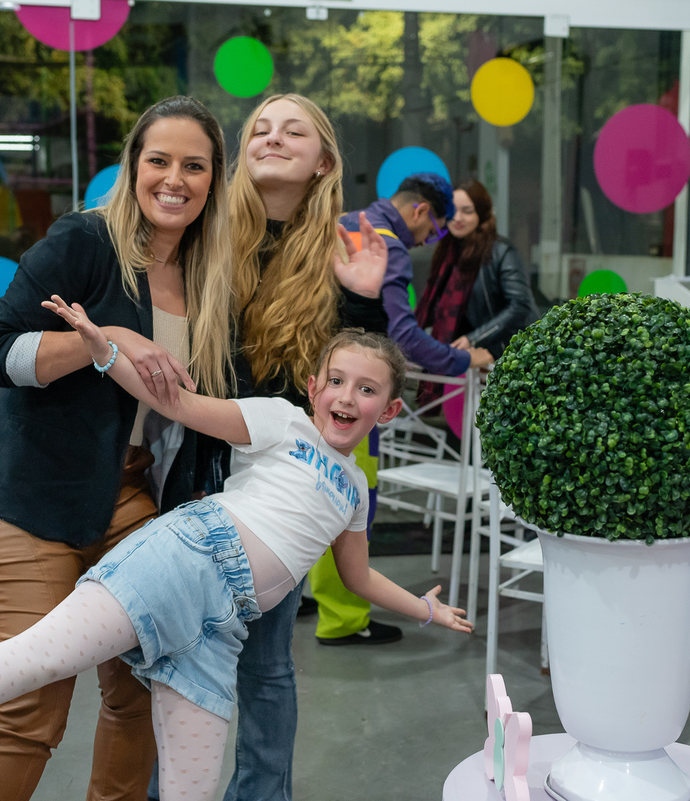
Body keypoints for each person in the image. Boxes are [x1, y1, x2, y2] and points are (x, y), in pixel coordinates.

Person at [0, 326, 473, 801]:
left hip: (221, 630)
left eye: (367, 389)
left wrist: (427, 608)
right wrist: (106, 348)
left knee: (189, 787)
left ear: (391, 406)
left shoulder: (356, 489)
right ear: (312, 383)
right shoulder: (281, 420)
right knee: (30, 660)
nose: (348, 399)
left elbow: (356, 575)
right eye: (338, 381)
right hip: (187, 557)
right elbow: (177, 402)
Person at [0, 96, 236, 801]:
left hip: (130, 497)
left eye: (194, 165)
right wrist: (98, 341)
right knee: (30, 704)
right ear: (133, 167)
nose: (175, 178)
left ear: (213, 180)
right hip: (27, 495)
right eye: (158, 160)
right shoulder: (84, 243)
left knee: (142, 686)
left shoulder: (210, 275)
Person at [213, 93, 391, 801]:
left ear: (324, 162)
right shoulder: (204, 238)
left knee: (264, 663)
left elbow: (356, 377)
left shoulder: (344, 250)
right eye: (260, 127)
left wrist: (365, 302)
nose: (273, 136)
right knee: (169, 659)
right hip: (193, 470)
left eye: (294, 130)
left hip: (279, 491)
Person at [341, 172, 496, 376]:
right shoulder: (390, 250)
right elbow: (404, 337)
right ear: (421, 212)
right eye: (432, 233)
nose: (423, 241)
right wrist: (467, 358)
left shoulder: (346, 222)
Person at [415, 180, 538, 407]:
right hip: (464, 363)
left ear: (482, 214)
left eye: (467, 211)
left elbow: (520, 306)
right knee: (464, 428)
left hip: (501, 358)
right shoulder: (447, 251)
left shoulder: (501, 251)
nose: (458, 218)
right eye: (454, 211)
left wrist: (474, 338)